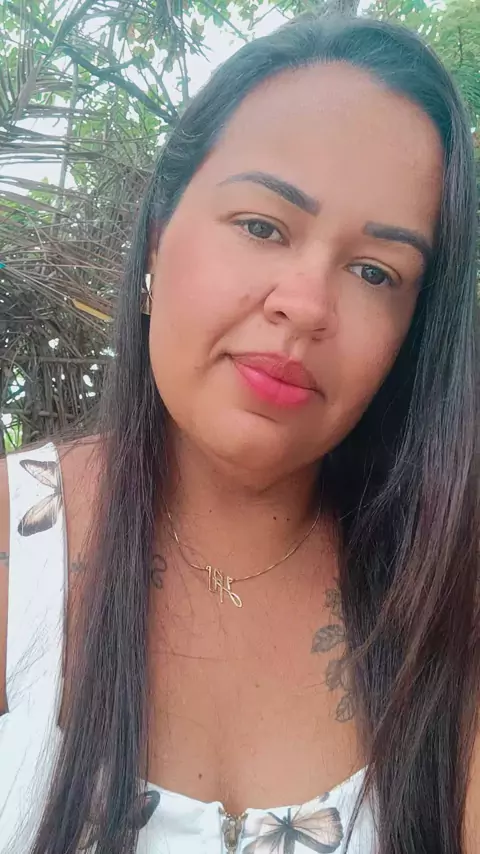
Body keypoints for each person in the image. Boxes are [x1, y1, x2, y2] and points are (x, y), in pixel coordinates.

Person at [0, 12, 478, 854]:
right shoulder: (17, 549)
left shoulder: (441, 596)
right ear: (158, 236)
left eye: (376, 272)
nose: (307, 305)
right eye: (262, 226)